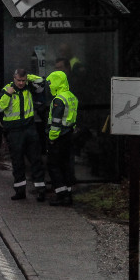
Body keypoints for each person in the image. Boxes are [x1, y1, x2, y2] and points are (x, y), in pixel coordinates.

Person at [0, 69, 47, 201]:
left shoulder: (29, 87)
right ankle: (20, 191)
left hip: (29, 129)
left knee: (36, 160)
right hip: (14, 131)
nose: (20, 83)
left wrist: (29, 77)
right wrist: (8, 95)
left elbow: (41, 81)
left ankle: (41, 191)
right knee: (17, 162)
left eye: (23, 80)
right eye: (18, 80)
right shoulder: (6, 90)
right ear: (14, 78)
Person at [45, 70, 79, 206]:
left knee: (54, 165)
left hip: (59, 137)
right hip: (69, 135)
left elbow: (56, 122)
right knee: (66, 165)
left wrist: (52, 138)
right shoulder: (71, 96)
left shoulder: (58, 100)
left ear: (57, 82)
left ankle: (61, 195)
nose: (49, 86)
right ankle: (68, 194)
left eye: (51, 83)